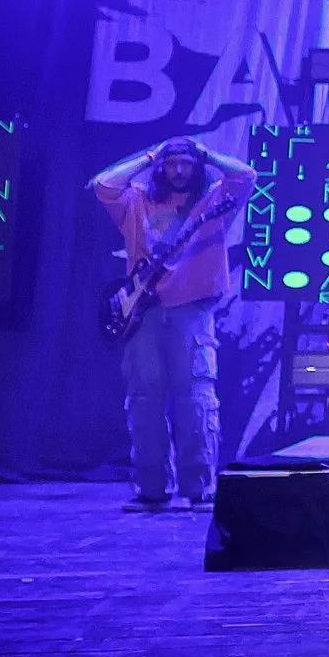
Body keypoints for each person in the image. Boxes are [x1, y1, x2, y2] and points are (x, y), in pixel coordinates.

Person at [89, 135, 256, 512]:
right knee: (144, 403)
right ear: (161, 168)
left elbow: (246, 176)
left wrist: (206, 153)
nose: (179, 170)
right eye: (171, 164)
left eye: (186, 164)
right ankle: (151, 489)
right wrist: (150, 156)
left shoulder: (213, 200)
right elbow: (104, 185)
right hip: (144, 314)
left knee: (196, 402)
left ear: (197, 167)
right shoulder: (137, 201)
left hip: (192, 313)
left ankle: (199, 488)